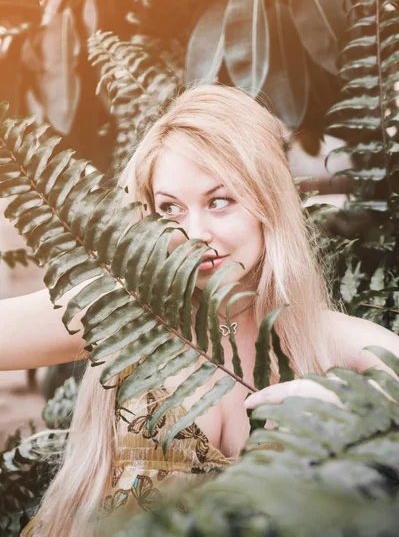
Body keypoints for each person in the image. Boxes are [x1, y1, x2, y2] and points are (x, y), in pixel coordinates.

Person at [1, 85, 398, 536]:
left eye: (219, 201)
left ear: (270, 200)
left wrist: (364, 414)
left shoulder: (325, 341)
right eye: (170, 208)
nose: (194, 233)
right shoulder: (123, 313)